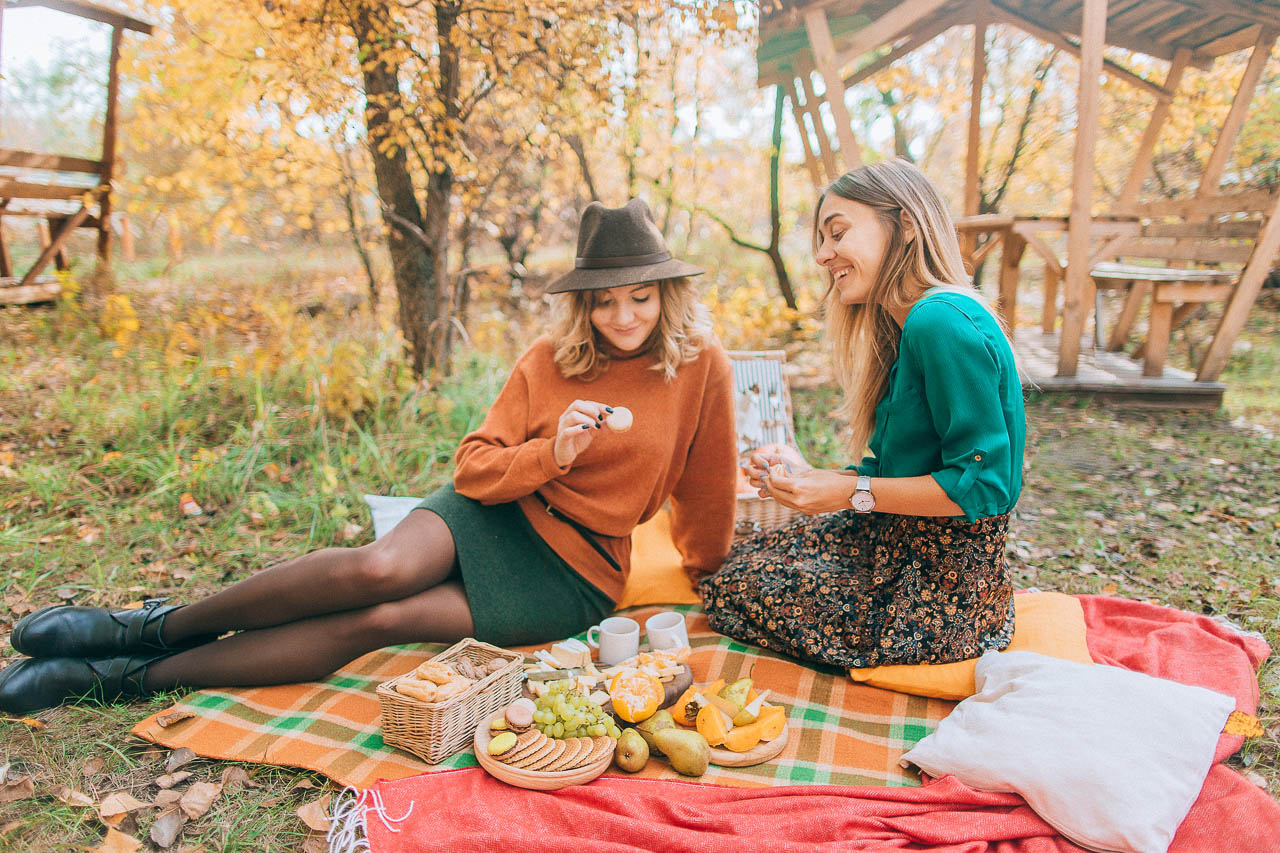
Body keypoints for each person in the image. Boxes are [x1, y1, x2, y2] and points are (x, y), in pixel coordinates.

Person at [1, 199, 737, 715]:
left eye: (641, 297)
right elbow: (473, 468)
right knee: (373, 567)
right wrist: (554, 453)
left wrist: (712, 579)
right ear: (583, 304)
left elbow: (708, 490)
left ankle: (118, 678)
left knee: (383, 618)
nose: (624, 316)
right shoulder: (552, 357)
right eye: (604, 301)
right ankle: (150, 625)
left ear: (666, 292)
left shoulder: (701, 366)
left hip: (574, 572)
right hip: (502, 506)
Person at [699, 159, 1024, 670]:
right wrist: (820, 480)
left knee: (731, 589)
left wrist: (851, 493)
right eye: (822, 240)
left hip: (939, 592)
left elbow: (985, 488)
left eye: (838, 233)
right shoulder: (909, 325)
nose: (823, 255)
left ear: (907, 224)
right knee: (744, 557)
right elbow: (910, 468)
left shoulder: (941, 321)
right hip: (892, 538)